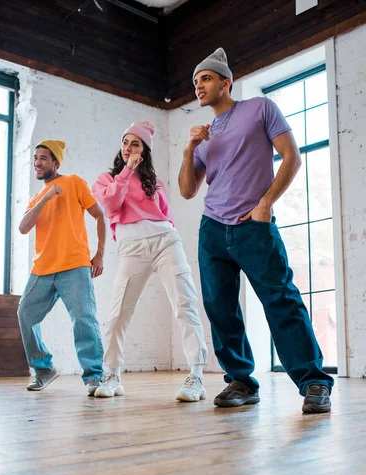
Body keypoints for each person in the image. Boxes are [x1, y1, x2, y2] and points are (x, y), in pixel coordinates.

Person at [178, 48, 334, 414]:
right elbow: (187, 190)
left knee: (281, 300)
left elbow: (292, 157)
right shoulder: (205, 135)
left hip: (254, 226)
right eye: (195, 81)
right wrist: (189, 148)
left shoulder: (259, 108)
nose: (199, 85)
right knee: (220, 307)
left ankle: (313, 381)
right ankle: (241, 381)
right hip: (212, 229)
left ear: (225, 82)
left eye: (206, 79)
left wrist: (265, 205)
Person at [92, 120, 207, 401]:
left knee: (185, 304)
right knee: (118, 313)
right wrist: (127, 171)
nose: (129, 147)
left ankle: (196, 376)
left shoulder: (154, 182)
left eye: (135, 143)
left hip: (166, 241)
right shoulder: (106, 180)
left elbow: (166, 215)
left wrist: (169, 236)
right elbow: (109, 206)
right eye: (125, 142)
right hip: (132, 249)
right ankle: (112, 374)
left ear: (144, 150)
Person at [18, 140, 105, 396]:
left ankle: (94, 378)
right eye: (36, 157)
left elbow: (99, 215)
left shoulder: (75, 182)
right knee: (25, 314)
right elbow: (23, 228)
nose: (38, 162)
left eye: (44, 158)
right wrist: (46, 196)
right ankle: (43, 368)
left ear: (56, 163)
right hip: (42, 269)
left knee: (83, 320)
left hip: (75, 266)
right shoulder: (37, 198)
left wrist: (99, 255)